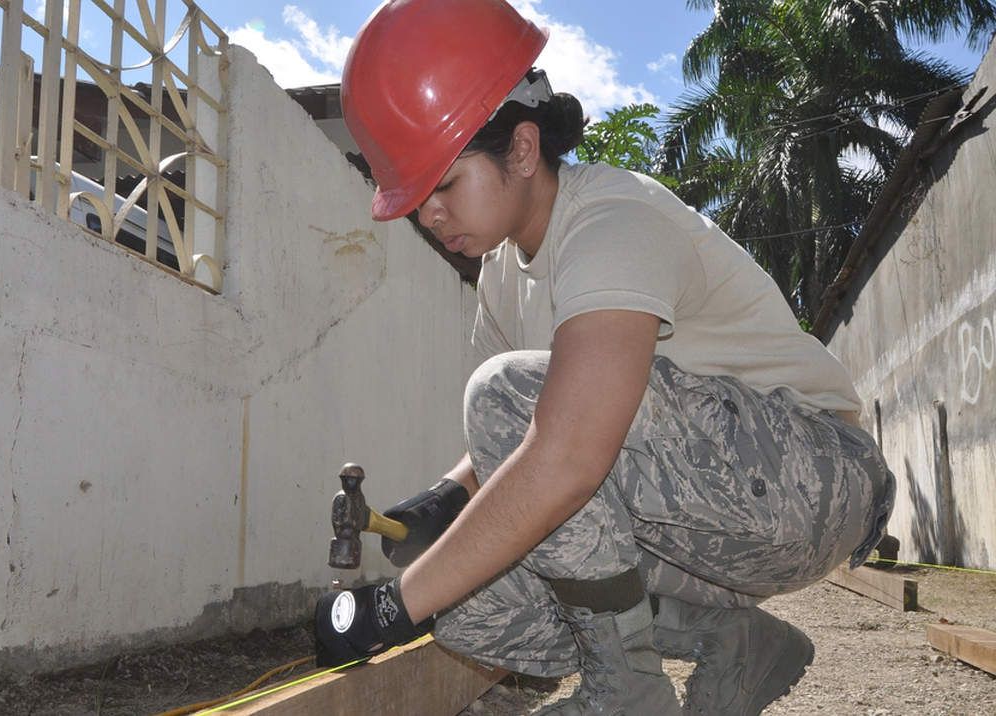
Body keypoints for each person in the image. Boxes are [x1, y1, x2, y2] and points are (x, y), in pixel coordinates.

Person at [312, 1, 895, 714]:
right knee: (474, 586)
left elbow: (564, 449)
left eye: (443, 185)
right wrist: (445, 500)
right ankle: (732, 639)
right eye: (413, 199)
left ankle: (627, 693)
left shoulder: (613, 219)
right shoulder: (500, 275)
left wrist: (392, 607)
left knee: (506, 431)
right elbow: (518, 448)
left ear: (522, 150)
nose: (428, 215)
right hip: (713, 523)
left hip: (817, 483)